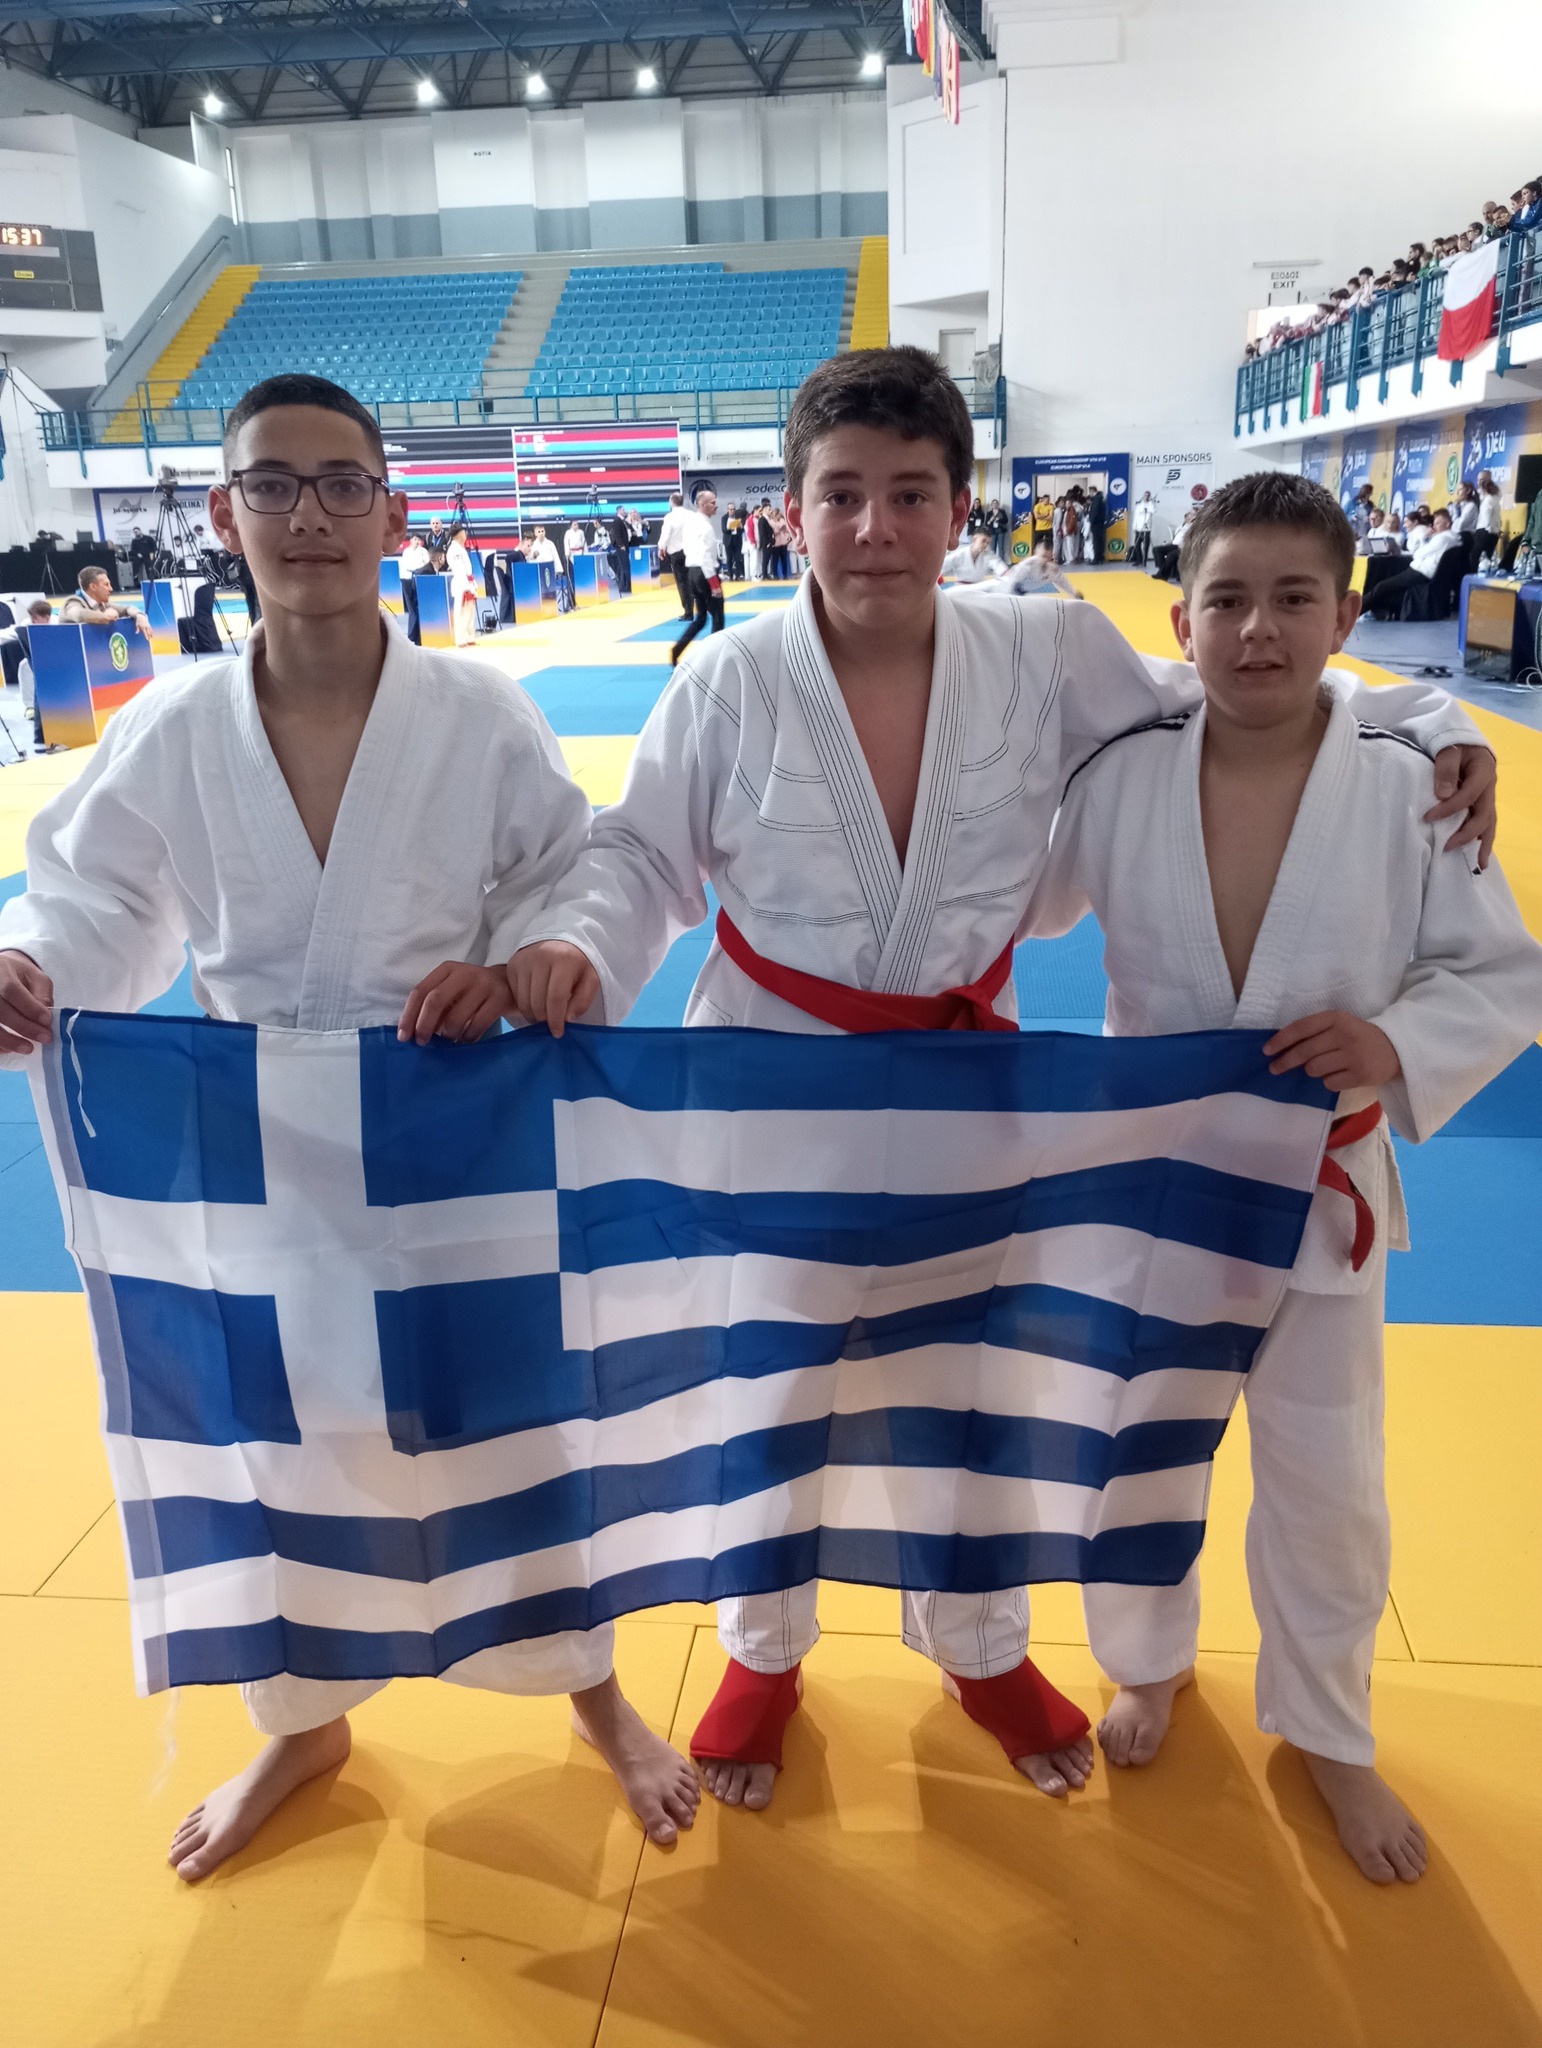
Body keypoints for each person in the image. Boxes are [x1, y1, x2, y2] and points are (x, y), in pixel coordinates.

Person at [505, 345, 1496, 1818]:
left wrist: (1436, 724)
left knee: (965, 1383)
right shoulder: (727, 678)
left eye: (911, 494)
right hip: (776, 1088)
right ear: (791, 510)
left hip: (970, 1093)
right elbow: (641, 852)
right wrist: (576, 945)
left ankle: (978, 1647)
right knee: (770, 1385)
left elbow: (1236, 687)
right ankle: (762, 1651)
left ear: (960, 508)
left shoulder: (1043, 651)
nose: (875, 529)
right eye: (842, 496)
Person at [0, 372, 700, 1881]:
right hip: (258, 1150)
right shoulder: (172, 724)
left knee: (512, 1422)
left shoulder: (477, 713)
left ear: (393, 510)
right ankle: (304, 1720)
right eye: (272, 484)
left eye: (339, 484)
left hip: (453, 1125)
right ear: (223, 511)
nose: (307, 514)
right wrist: (34, 964)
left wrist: (534, 958)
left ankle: (595, 1698)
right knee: (280, 1440)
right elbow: (96, 898)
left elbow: (560, 871)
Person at [1026, 472, 1542, 1884]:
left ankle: (1328, 1727)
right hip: (1154, 1189)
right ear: (1179, 622)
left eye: (1294, 598)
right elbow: (1020, 900)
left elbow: (1499, 974)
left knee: (1329, 1478)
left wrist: (1394, 1041)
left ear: (1346, 616)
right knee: (1137, 1451)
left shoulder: (1411, 785)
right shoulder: (1117, 775)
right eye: (1229, 600)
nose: (1259, 629)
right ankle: (1146, 1661)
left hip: (1323, 1187)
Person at [1358, 508, 1463, 620]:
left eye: (1438, 523)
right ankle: (1368, 610)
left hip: (1421, 571)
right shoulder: (1454, 539)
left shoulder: (1442, 538)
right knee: (1387, 586)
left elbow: (1418, 554)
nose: (1434, 526)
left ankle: (1357, 609)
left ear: (1447, 524)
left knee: (1381, 586)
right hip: (1425, 571)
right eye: (1434, 523)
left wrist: (1426, 538)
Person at [670, 486, 724, 667]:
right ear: (702, 505)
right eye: (712, 503)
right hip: (705, 574)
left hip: (692, 573)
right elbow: (706, 556)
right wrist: (714, 584)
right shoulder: (705, 527)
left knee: (701, 618)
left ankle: (677, 649)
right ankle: (714, 660)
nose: (716, 505)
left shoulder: (691, 523)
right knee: (718, 618)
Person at [59, 566, 152, 640]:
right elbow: (78, 614)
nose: (111, 589)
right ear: (93, 587)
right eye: (106, 585)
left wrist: (140, 616)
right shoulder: (72, 602)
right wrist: (106, 616)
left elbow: (127, 609)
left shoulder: (101, 604)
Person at [657, 491, 692, 617]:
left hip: (677, 553)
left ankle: (688, 611)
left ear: (672, 502)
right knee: (692, 581)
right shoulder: (691, 515)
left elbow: (665, 536)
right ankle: (701, 607)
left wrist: (661, 548)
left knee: (682, 582)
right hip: (691, 551)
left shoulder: (670, 517)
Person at [446, 522, 479, 646]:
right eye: (464, 532)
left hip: (468, 582)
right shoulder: (453, 550)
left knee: (470, 612)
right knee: (461, 612)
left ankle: (470, 636)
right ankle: (460, 638)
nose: (466, 535)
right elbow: (459, 569)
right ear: (460, 534)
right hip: (461, 583)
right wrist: (466, 587)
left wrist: (472, 585)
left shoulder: (461, 548)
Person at [399, 531, 429, 645]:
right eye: (414, 539)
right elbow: (405, 566)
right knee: (411, 609)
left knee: (418, 607)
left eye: (418, 539)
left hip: (419, 579)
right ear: (411, 540)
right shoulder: (406, 552)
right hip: (407, 579)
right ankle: (411, 636)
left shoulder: (423, 551)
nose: (416, 541)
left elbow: (425, 564)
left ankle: (418, 636)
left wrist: (417, 570)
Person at [608, 507, 633, 595]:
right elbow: (617, 534)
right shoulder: (617, 521)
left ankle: (627, 585)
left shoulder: (622, 521)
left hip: (625, 547)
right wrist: (621, 545)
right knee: (624, 567)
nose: (624, 511)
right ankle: (625, 586)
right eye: (623, 510)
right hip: (621, 547)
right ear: (619, 511)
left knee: (625, 566)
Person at [1130, 490, 1155, 568]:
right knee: (1137, 544)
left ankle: (1144, 561)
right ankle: (1139, 560)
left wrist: (1150, 503)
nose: (1146, 497)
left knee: (1146, 546)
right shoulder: (1139, 505)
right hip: (1138, 528)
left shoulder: (1151, 504)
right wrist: (1134, 527)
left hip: (1146, 528)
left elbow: (1154, 510)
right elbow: (1136, 517)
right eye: (1145, 495)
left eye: (1148, 495)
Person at [723, 503, 745, 582]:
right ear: (728, 510)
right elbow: (724, 529)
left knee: (738, 559)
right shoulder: (724, 518)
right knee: (729, 559)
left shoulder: (738, 517)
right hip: (728, 541)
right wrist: (731, 527)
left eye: (733, 509)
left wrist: (741, 527)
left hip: (737, 540)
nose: (732, 511)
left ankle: (738, 575)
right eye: (731, 509)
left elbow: (742, 530)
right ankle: (730, 576)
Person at [1085, 483, 1106, 564]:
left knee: (1096, 541)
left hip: (1096, 523)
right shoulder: (1101, 498)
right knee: (1100, 540)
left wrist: (1091, 520)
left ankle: (1096, 558)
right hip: (1100, 522)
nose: (1089, 494)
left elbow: (1095, 511)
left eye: (1090, 492)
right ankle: (1100, 557)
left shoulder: (1096, 499)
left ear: (1092, 491)